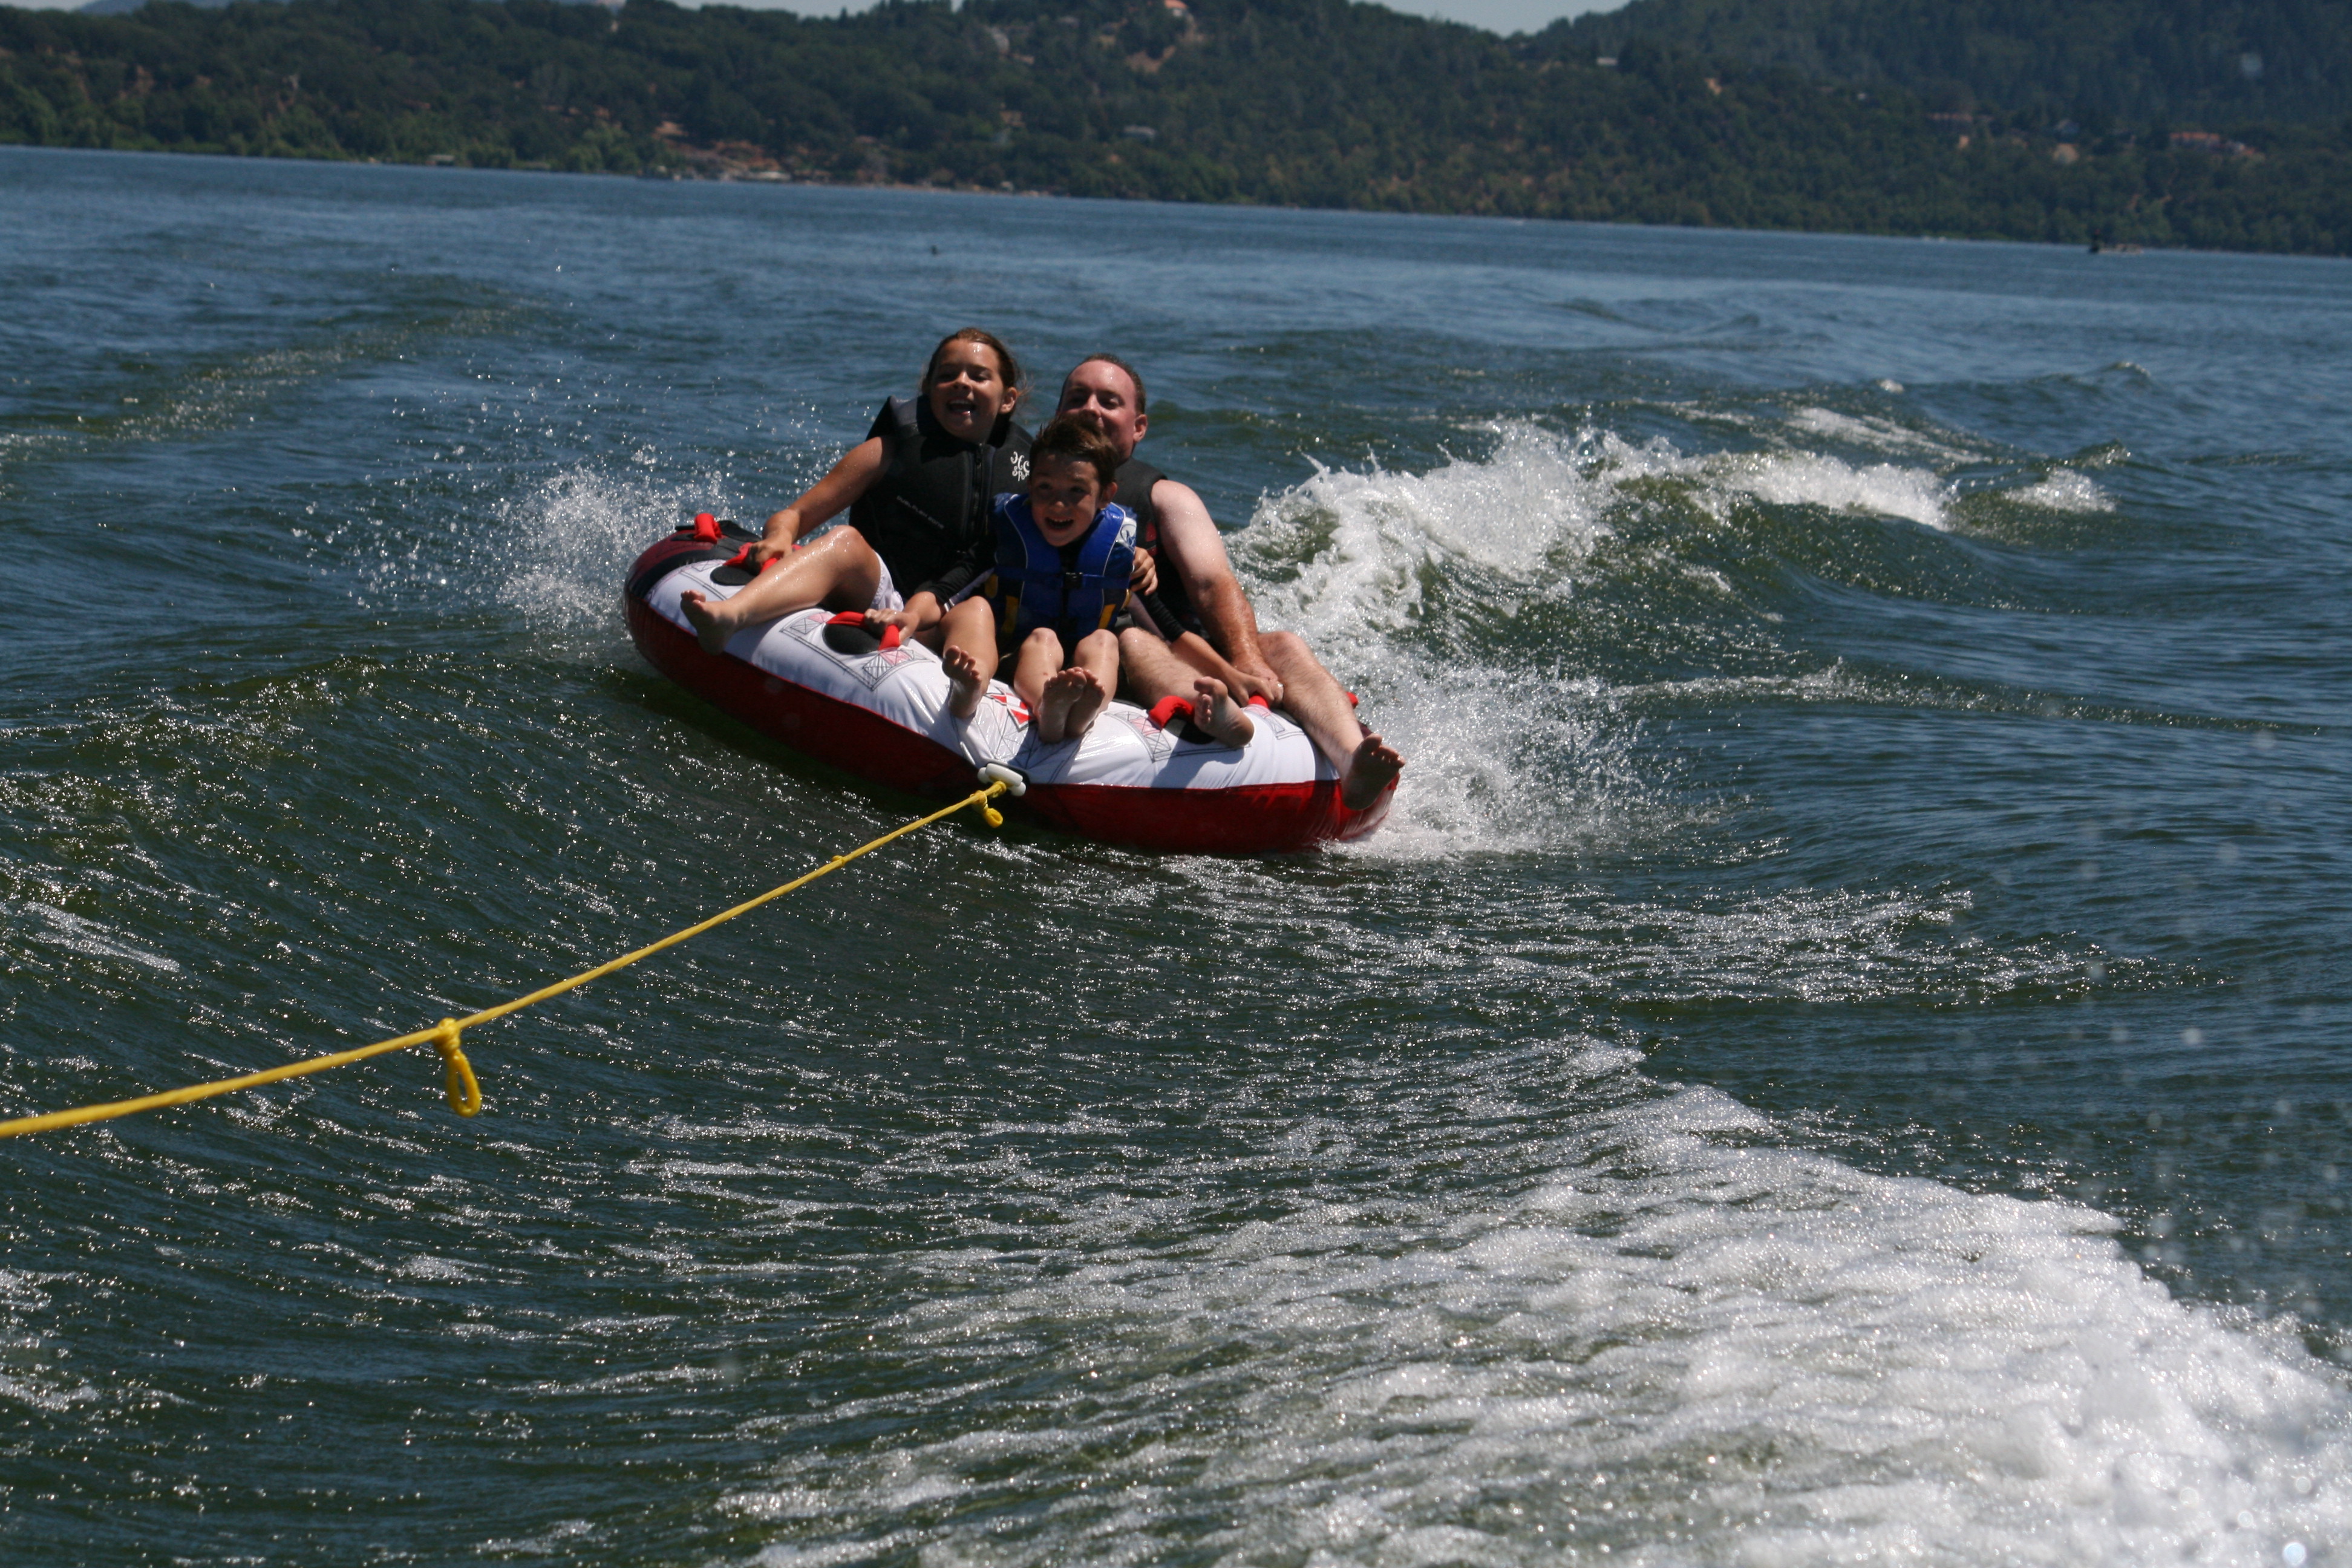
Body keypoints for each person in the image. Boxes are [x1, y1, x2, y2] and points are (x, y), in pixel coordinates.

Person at [1054, 354, 1404, 809]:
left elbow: (1211, 583)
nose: (1091, 409)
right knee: (1133, 642)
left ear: (1138, 427)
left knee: (1283, 645)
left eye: (1109, 401)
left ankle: (1352, 759)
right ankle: (1209, 711)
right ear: (1058, 413)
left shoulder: (1166, 497)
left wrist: (1246, 660)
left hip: (1180, 643)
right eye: (1078, 398)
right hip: (1103, 651)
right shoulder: (1036, 490)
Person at [678, 328, 1031, 655]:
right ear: (928, 389)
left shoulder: (1029, 480)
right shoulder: (888, 451)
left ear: (1008, 399)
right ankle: (732, 616)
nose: (961, 383)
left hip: (945, 618)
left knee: (976, 610)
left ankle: (968, 688)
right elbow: (795, 515)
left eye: (979, 376)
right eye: (947, 375)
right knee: (845, 541)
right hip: (878, 595)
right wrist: (780, 536)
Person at [936, 417, 1195, 747]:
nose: (1059, 504)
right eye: (1046, 488)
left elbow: (1169, 628)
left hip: (1082, 667)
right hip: (1020, 652)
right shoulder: (1010, 536)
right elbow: (949, 587)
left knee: (1105, 641)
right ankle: (1038, 704)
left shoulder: (1120, 552)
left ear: (1105, 495)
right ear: (1031, 486)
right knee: (1042, 639)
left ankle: (1084, 710)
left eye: (1076, 491)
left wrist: (1227, 672)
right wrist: (910, 617)